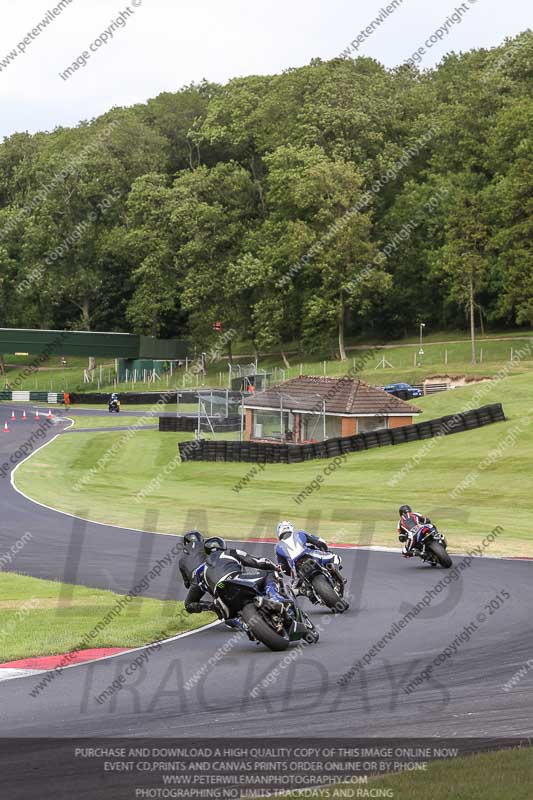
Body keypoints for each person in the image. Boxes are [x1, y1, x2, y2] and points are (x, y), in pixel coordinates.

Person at [184, 536, 286, 616]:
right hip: (235, 579)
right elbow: (258, 561)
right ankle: (275, 597)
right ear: (222, 546)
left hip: (220, 592)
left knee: (227, 616)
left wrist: (210, 606)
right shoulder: (230, 552)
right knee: (270, 573)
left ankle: (227, 613)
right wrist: (275, 567)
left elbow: (189, 603)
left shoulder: (200, 571)